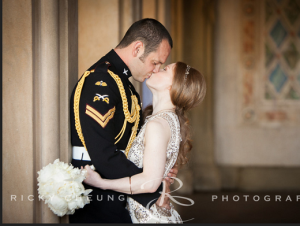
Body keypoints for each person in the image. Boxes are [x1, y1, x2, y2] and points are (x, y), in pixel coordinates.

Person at [69, 18, 178, 223]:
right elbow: (103, 154)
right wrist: (154, 187)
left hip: (115, 191)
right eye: (155, 62)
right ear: (137, 48)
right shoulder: (100, 81)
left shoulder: (122, 84)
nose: (155, 70)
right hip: (97, 196)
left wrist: (157, 167)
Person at [82, 62, 207, 223]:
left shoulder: (157, 124)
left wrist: (101, 183)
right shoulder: (168, 120)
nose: (156, 69)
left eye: (164, 69)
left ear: (172, 85)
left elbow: (150, 184)